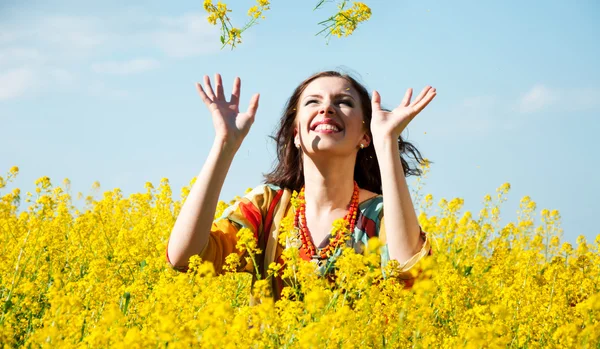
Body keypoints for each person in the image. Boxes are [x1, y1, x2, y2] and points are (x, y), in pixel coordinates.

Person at [166, 71, 436, 301]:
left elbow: (411, 271)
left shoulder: (382, 214)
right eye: (312, 102)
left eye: (343, 102)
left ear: (365, 135)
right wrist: (225, 145)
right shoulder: (268, 207)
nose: (326, 108)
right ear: (296, 133)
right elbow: (185, 258)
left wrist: (386, 141)